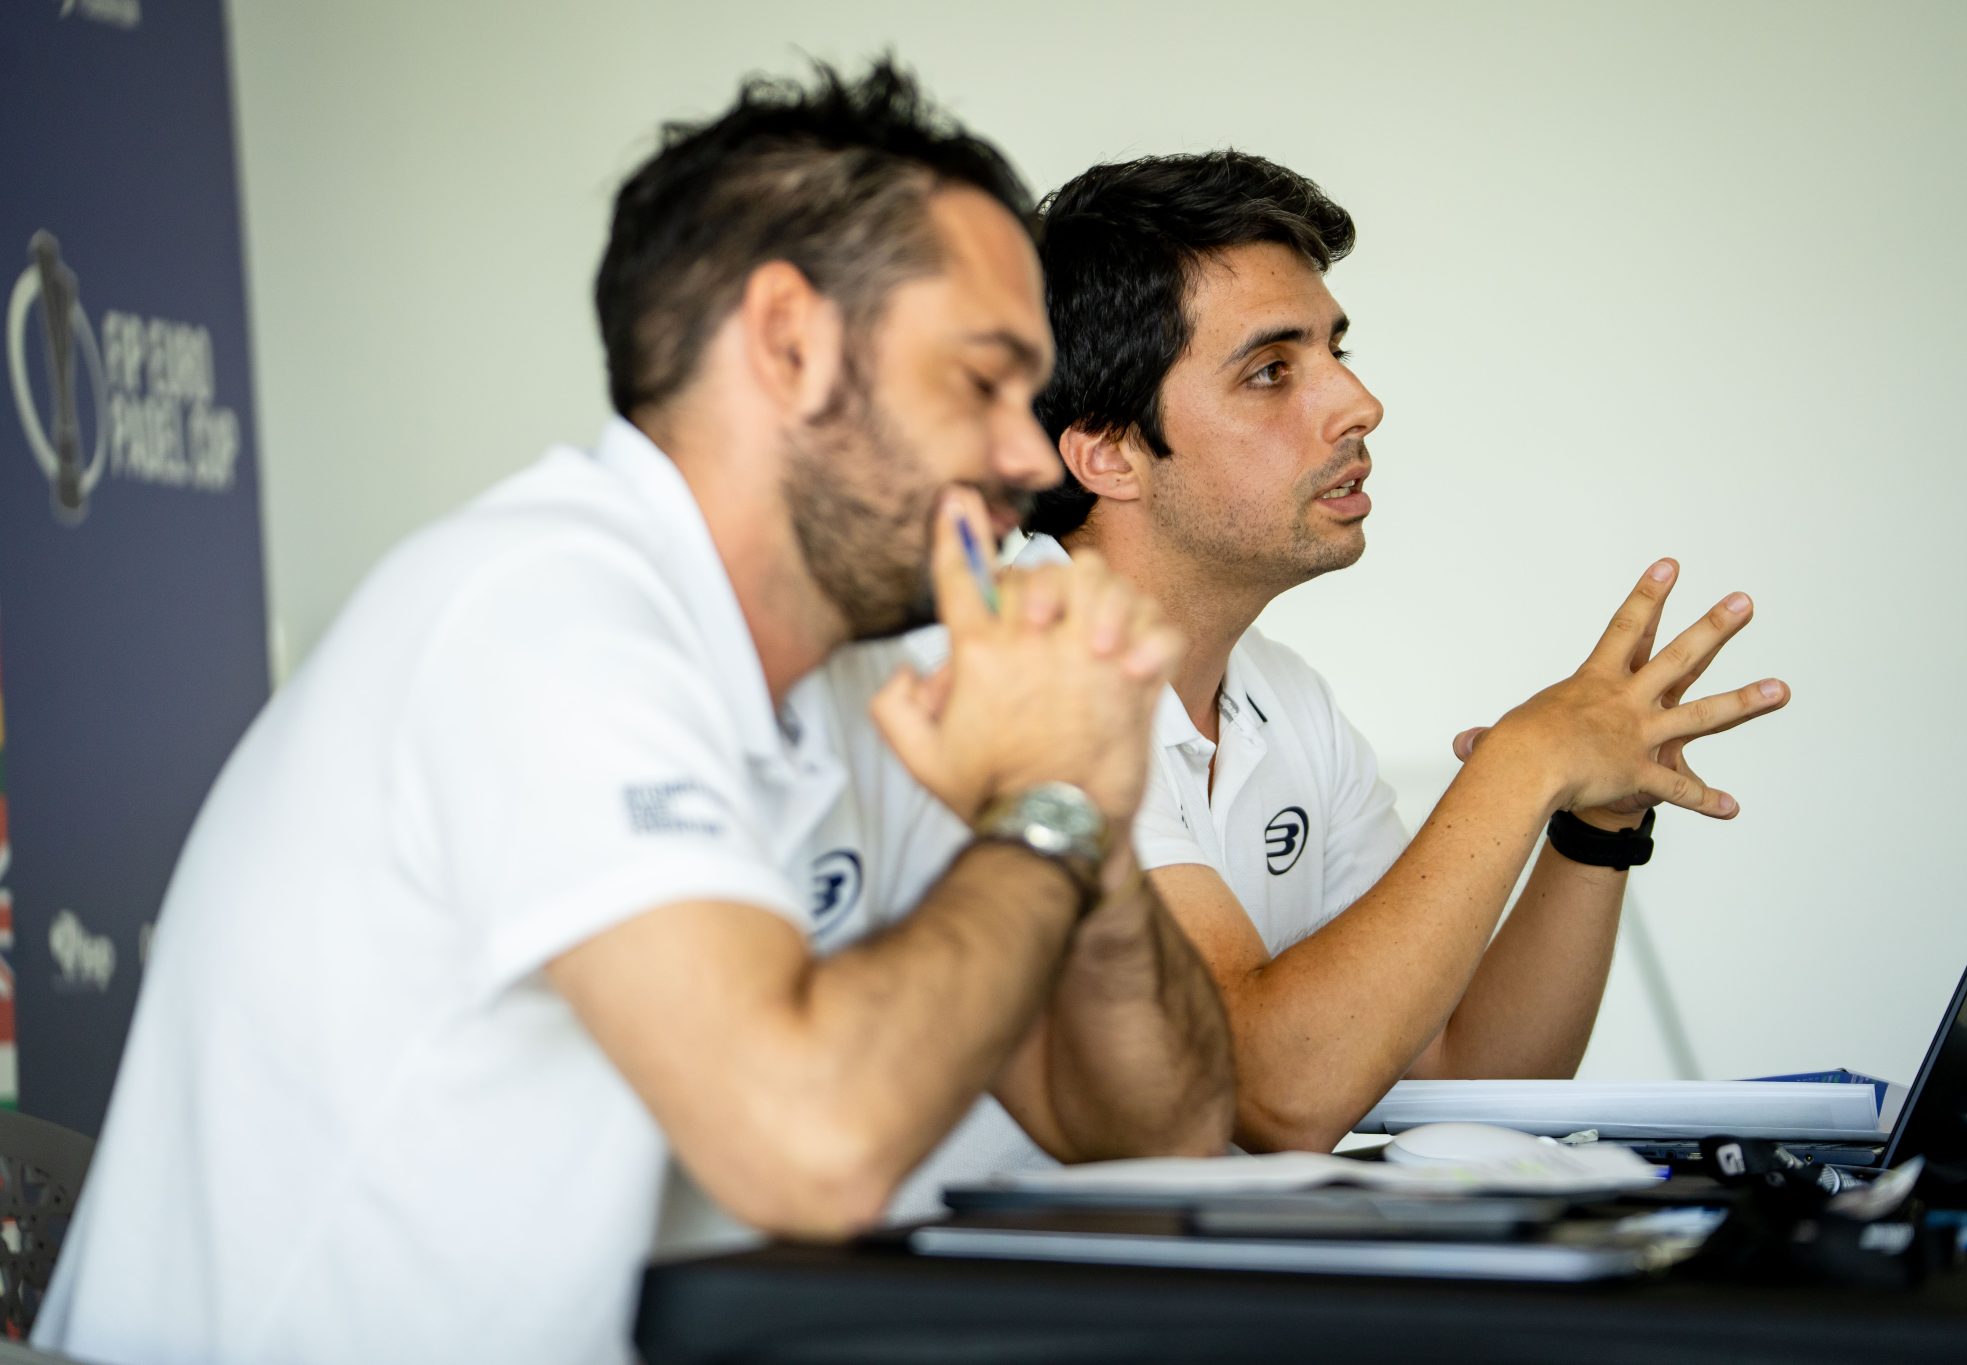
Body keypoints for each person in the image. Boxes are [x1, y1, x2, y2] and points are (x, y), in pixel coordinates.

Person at [33, 65, 1232, 1365]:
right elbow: (811, 1145)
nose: (1031, 457)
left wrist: (1088, 806)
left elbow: (1155, 1137)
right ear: (790, 343)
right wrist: (1041, 810)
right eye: (983, 381)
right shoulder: (542, 610)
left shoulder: (868, 673)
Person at [877, 149, 1790, 1201]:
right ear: (1108, 453)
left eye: (1335, 351)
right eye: (1272, 370)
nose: (1359, 403)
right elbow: (1275, 1090)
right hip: (966, 1283)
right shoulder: (999, 669)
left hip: (1170, 1269)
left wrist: (1597, 826)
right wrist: (1523, 763)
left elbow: (1463, 1076)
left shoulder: (1284, 696)